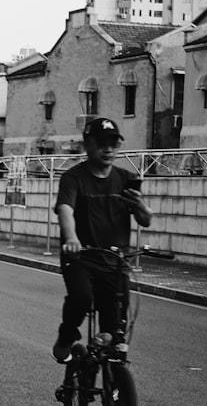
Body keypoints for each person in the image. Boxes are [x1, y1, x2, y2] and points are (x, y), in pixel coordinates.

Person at [51, 117, 153, 363]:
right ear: (87, 145)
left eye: (113, 144)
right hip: (80, 256)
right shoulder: (74, 178)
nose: (108, 150)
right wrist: (72, 238)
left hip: (115, 260)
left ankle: (116, 390)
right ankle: (66, 336)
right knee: (82, 298)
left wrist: (140, 205)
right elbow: (65, 209)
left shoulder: (125, 178)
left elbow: (145, 219)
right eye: (101, 144)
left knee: (116, 326)